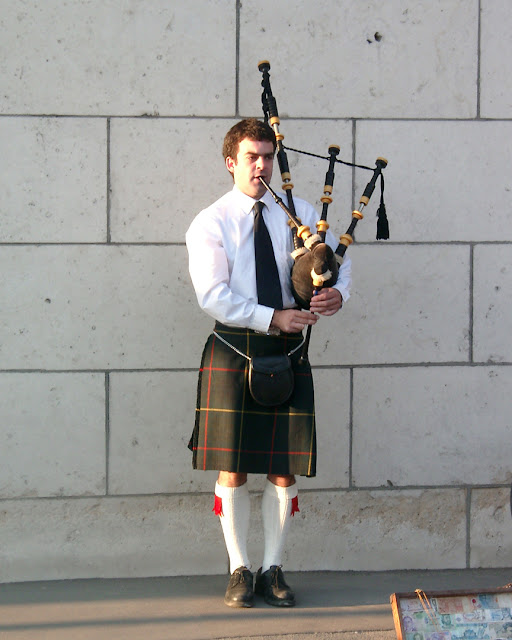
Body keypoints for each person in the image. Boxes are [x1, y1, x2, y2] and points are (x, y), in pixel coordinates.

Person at [186, 118, 351, 608]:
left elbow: (336, 265)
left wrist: (336, 293)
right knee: (231, 467)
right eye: (252, 157)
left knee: (284, 468)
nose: (262, 166)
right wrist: (271, 316)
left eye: (268, 156)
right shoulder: (211, 221)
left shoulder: (300, 213)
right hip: (236, 346)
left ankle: (273, 567)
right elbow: (212, 295)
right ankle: (239, 569)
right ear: (231, 162)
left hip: (289, 352)